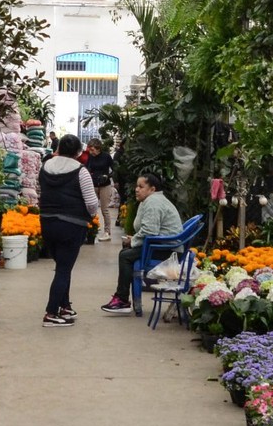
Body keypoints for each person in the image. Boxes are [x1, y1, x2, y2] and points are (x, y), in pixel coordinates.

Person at [37, 134, 99, 326]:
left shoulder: (45, 167)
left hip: (47, 223)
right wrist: (89, 215)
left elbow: (41, 192)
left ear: (59, 148)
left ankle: (64, 306)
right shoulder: (81, 171)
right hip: (71, 225)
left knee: (63, 267)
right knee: (64, 269)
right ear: (78, 152)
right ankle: (51, 313)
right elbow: (91, 203)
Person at [101, 171, 183, 315]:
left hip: (167, 250)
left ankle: (122, 300)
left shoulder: (153, 202)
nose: (137, 189)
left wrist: (133, 241)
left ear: (152, 189)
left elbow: (150, 231)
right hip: (161, 245)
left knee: (125, 256)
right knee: (126, 253)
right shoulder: (152, 200)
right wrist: (134, 239)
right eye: (137, 186)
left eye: (141, 186)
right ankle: (122, 299)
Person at [85, 140, 118, 240]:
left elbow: (114, 168)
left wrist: (108, 176)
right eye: (90, 150)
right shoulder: (90, 157)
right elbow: (86, 168)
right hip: (93, 184)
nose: (91, 152)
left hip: (105, 185)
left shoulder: (106, 156)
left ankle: (107, 232)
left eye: (92, 150)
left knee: (105, 209)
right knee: (91, 208)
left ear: (98, 148)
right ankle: (90, 232)